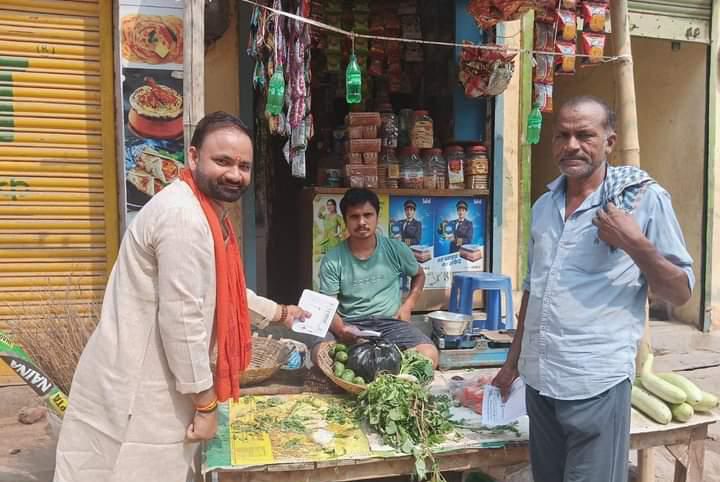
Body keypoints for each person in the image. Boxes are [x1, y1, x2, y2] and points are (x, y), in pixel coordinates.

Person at [54, 112, 309, 482]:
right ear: (193, 157)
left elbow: (220, 288)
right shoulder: (184, 218)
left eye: (243, 166)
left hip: (153, 379)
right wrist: (205, 404)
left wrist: (282, 313)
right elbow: (183, 320)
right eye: (222, 161)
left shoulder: (201, 211)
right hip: (142, 387)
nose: (235, 174)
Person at [492, 96, 694, 482]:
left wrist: (635, 243)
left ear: (609, 141)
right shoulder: (543, 207)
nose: (571, 145)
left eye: (585, 135)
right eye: (562, 135)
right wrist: (513, 362)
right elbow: (535, 291)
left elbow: (681, 292)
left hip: (595, 383)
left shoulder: (641, 199)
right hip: (540, 380)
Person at [315, 188, 439, 367]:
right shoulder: (333, 259)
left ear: (377, 217)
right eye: (354, 216)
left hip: (389, 323)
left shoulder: (396, 249)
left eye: (367, 215)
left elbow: (419, 275)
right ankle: (381, 365)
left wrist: (408, 305)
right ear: (345, 221)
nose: (362, 222)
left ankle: (391, 374)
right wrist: (342, 330)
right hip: (351, 324)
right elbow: (329, 305)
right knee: (319, 355)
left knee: (429, 356)